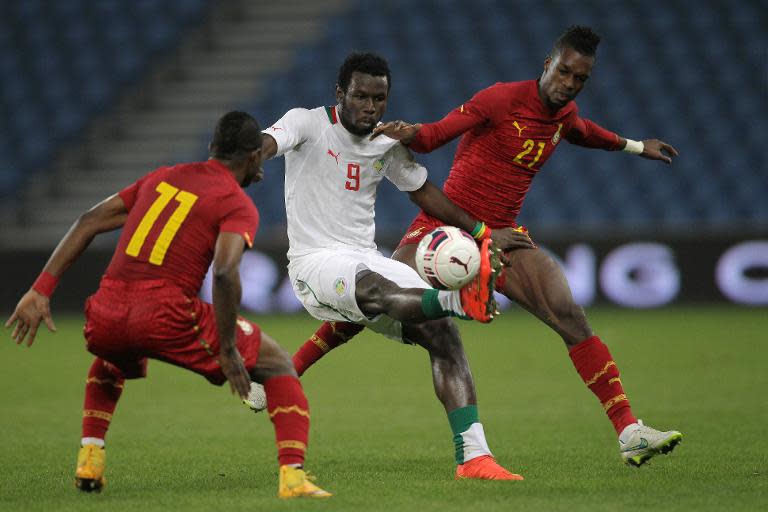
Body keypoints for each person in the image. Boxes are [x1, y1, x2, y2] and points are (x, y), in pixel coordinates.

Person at [293, 27, 683, 467]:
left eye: (579, 79)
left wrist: (635, 146)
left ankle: (629, 430)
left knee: (569, 314)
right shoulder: (501, 99)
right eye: (564, 72)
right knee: (376, 301)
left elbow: (584, 131)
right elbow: (436, 135)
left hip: (501, 236)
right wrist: (411, 132)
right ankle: (292, 369)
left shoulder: (564, 115)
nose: (569, 84)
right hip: (441, 232)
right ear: (548, 64)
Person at [5, 112, 331, 499]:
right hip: (164, 313)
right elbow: (226, 273)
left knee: (113, 356)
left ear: (212, 149)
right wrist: (227, 348)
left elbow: (89, 220)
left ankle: (90, 456)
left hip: (105, 310)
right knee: (277, 364)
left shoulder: (160, 178)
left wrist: (41, 289)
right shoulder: (235, 202)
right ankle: (293, 478)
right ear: (253, 157)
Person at [258, 52, 535, 480]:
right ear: (340, 94)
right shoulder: (307, 123)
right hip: (313, 262)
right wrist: (246, 157)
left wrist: (483, 232)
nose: (370, 107)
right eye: (361, 96)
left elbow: (427, 195)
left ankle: (474, 457)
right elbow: (268, 143)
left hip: (363, 254)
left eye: (380, 98)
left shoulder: (386, 144)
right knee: (375, 287)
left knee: (443, 334)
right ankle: (458, 300)